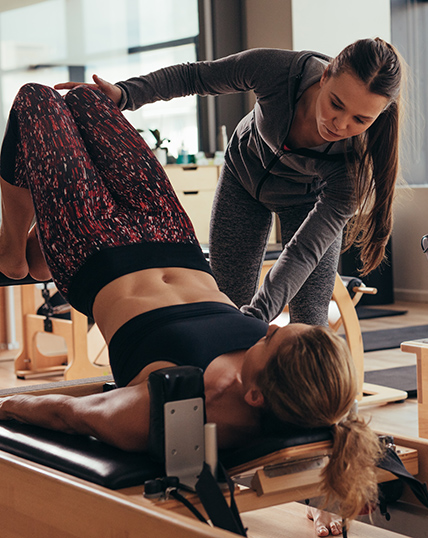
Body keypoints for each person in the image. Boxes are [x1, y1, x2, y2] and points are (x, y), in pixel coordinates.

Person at [0, 83, 379, 537]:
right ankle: (37, 250)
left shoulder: (173, 405)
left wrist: (9, 406)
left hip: (95, 253)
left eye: (272, 338)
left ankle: (13, 251)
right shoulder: (294, 380)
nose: (269, 329)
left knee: (36, 101)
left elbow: (69, 413)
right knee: (87, 100)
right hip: (174, 239)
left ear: (255, 394)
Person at [55, 37, 405, 326]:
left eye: (360, 119)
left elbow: (301, 253)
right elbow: (196, 77)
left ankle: (313, 408)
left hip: (307, 202)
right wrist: (126, 94)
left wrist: (258, 317)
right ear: (326, 76)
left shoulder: (352, 166)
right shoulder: (280, 71)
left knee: (308, 322)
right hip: (243, 180)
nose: (339, 125)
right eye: (335, 104)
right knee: (225, 300)